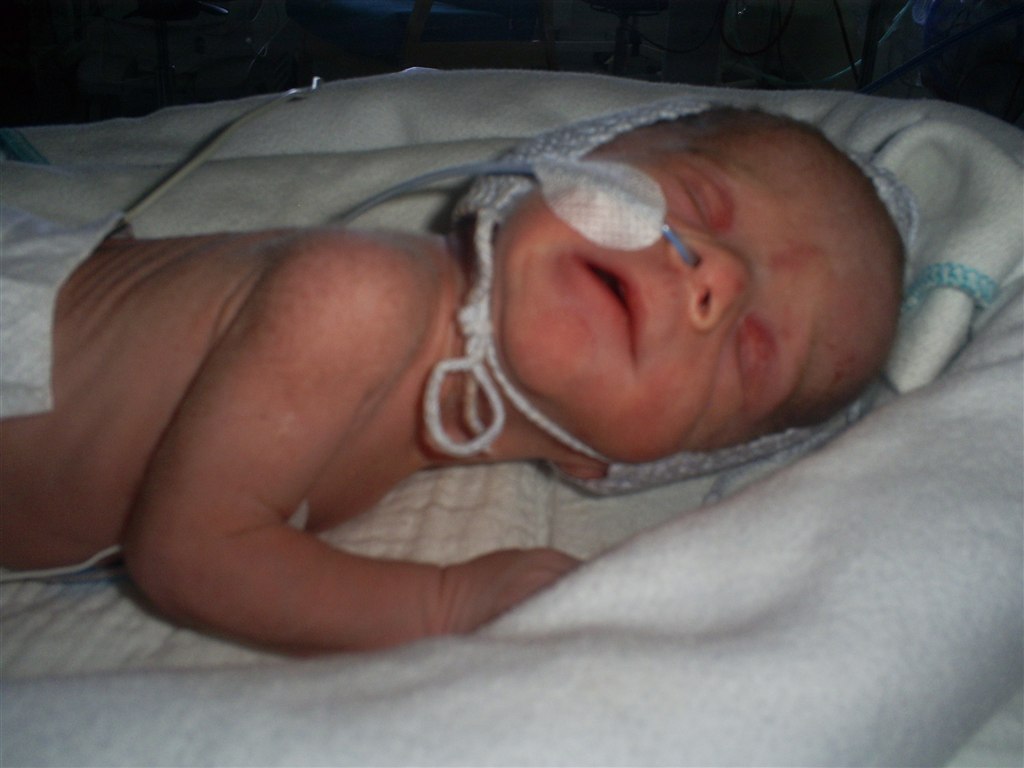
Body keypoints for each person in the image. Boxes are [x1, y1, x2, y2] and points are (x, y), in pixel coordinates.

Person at [0, 104, 907, 653]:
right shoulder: (363, 293)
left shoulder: (413, 426)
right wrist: (446, 604)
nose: (717, 278)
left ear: (617, 466)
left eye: (754, 349)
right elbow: (190, 554)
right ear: (571, 160)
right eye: (703, 200)